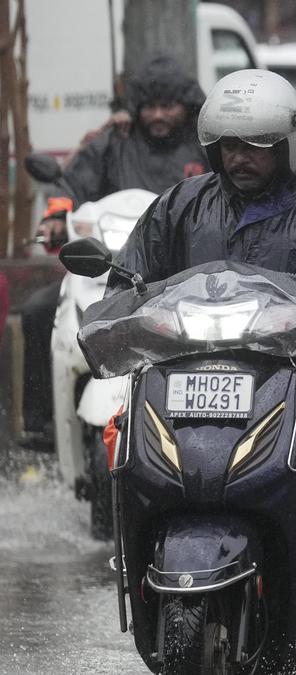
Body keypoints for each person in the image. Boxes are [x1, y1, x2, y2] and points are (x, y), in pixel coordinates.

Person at [102, 69, 296, 586]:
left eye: (257, 145)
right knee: (121, 431)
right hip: (188, 378)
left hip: (295, 381)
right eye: (228, 145)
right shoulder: (179, 207)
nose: (240, 156)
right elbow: (129, 279)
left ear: (287, 146)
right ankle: (136, 563)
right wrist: (123, 314)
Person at [18, 55, 208, 450]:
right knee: (39, 312)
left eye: (167, 106)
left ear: (186, 108)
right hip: (111, 273)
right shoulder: (114, 142)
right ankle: (41, 426)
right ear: (135, 107)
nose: (157, 115)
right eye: (149, 106)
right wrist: (56, 219)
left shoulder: (206, 146)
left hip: (187, 276)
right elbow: (69, 186)